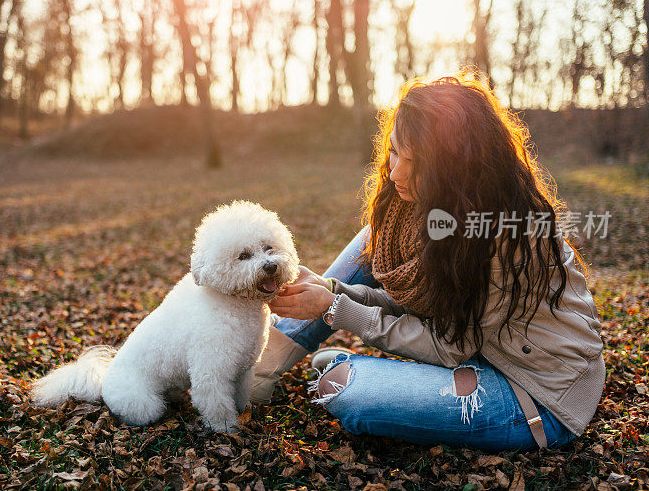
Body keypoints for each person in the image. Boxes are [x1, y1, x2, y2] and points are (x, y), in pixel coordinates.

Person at [251, 73, 605, 452]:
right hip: (480, 350)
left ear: (457, 166)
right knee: (376, 233)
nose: (397, 172)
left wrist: (338, 310)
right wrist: (333, 292)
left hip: (535, 393)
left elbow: (450, 345)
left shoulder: (503, 234)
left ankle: (349, 370)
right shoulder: (439, 211)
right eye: (395, 152)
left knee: (342, 389)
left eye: (416, 162)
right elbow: (418, 308)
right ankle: (256, 371)